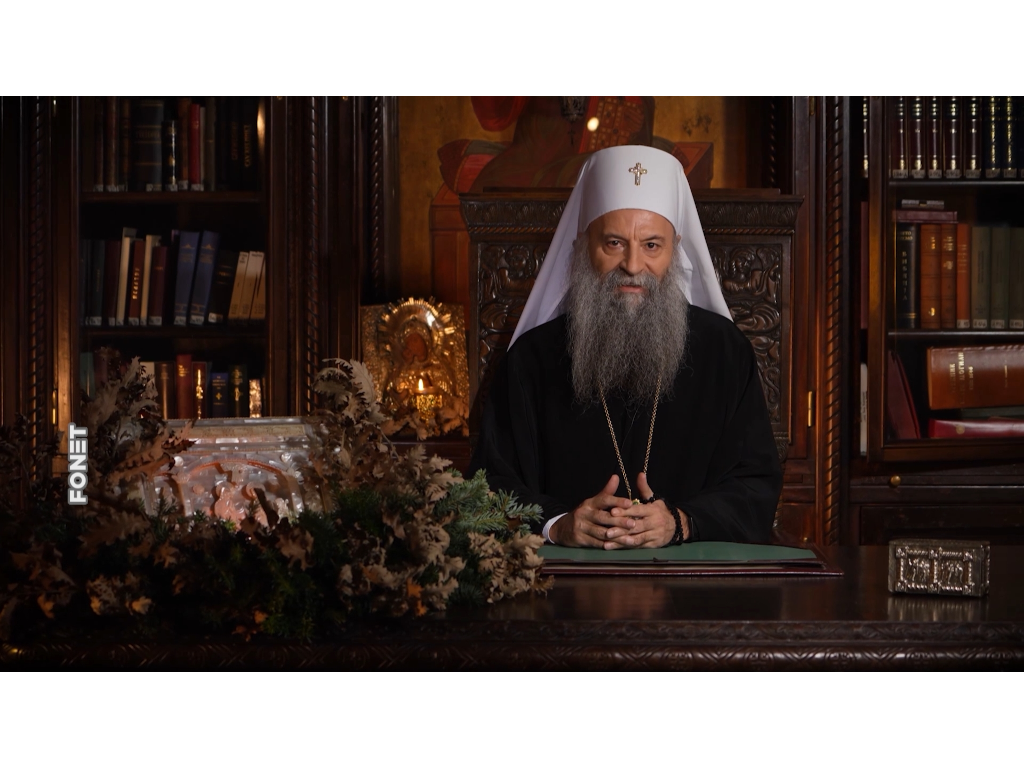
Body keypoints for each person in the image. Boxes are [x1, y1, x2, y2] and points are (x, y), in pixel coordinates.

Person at [468, 144, 782, 548]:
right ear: (584, 245)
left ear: (675, 248)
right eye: (614, 243)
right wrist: (558, 524)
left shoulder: (724, 352)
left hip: (691, 583)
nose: (633, 266)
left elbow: (755, 484)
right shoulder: (532, 360)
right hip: (564, 584)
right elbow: (489, 484)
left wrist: (681, 522)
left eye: (652, 245)